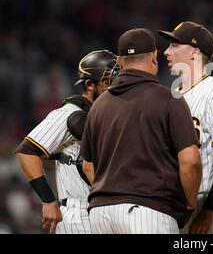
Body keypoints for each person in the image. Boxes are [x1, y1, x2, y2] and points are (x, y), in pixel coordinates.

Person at [80, 28, 202, 234]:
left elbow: (87, 166)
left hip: (100, 214)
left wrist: (114, 192)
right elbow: (190, 160)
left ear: (119, 61)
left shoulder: (99, 104)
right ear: (154, 57)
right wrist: (190, 202)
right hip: (147, 211)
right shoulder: (169, 98)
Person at [15, 50, 119, 234]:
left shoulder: (109, 115)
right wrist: (48, 200)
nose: (114, 88)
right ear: (89, 85)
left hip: (107, 211)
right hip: (78, 213)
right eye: (108, 83)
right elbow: (27, 151)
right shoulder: (69, 113)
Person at [159, 21, 213, 234]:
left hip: (200, 205)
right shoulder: (174, 94)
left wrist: (211, 211)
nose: (166, 52)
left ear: (194, 52)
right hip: (169, 204)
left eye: (174, 46)